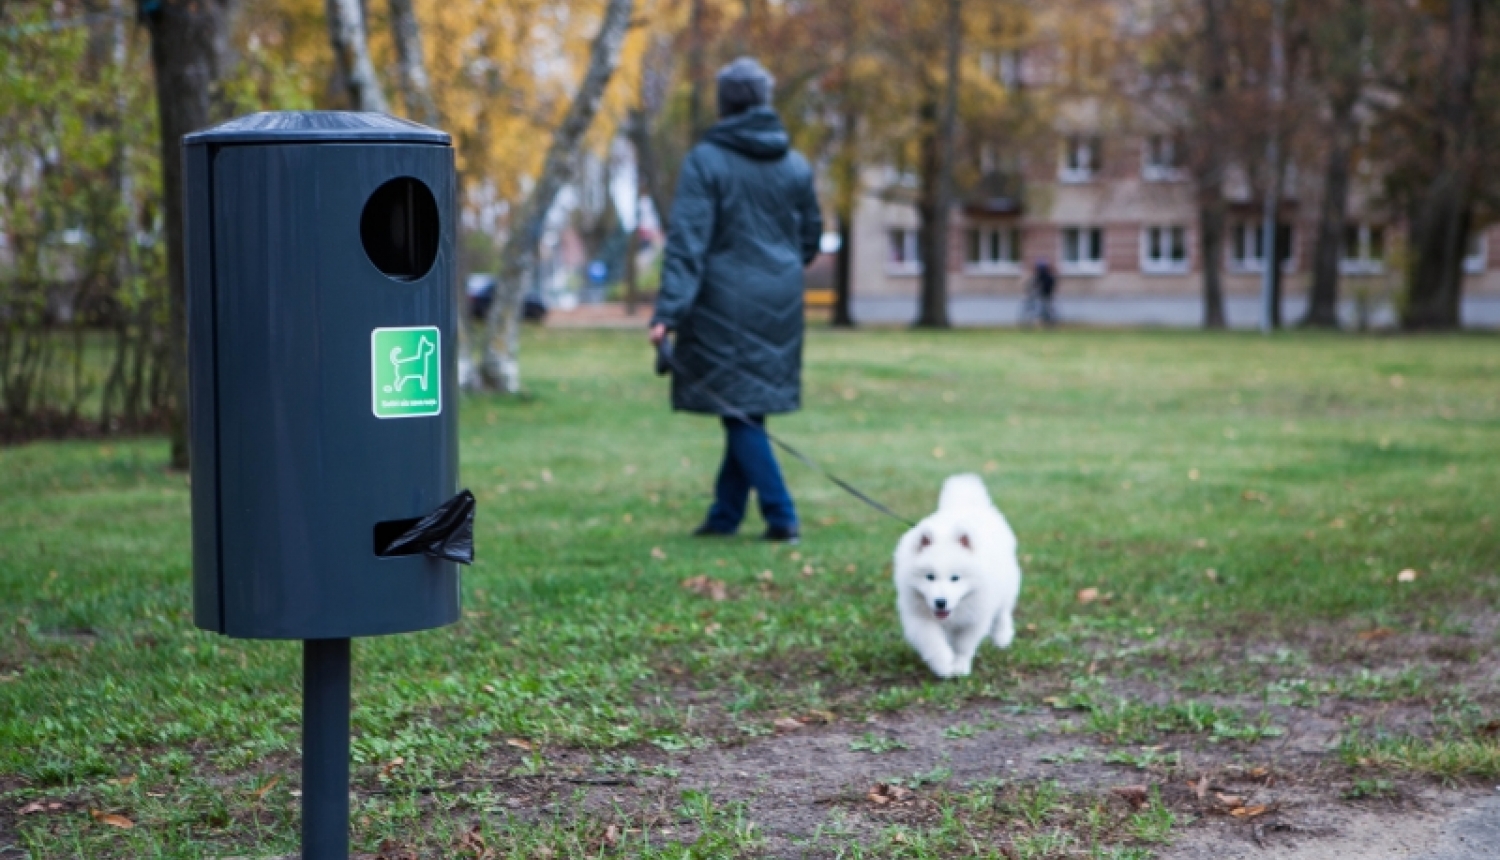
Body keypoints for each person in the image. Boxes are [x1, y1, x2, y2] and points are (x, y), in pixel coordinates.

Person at [649, 57, 823, 543]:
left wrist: (667, 313)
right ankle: (724, 515)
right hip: (781, 300)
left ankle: (781, 514)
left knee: (740, 410)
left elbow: (687, 242)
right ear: (764, 101)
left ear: (724, 104)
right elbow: (811, 236)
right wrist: (780, 267)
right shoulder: (796, 165)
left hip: (722, 302)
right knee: (746, 407)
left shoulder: (706, 161)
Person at [1023, 258, 1057, 327]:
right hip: (1044, 295)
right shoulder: (1046, 276)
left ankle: (1047, 321)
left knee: (1045, 309)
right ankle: (1047, 322)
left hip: (1044, 295)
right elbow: (1033, 284)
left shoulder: (1044, 276)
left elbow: (1034, 284)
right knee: (1044, 309)